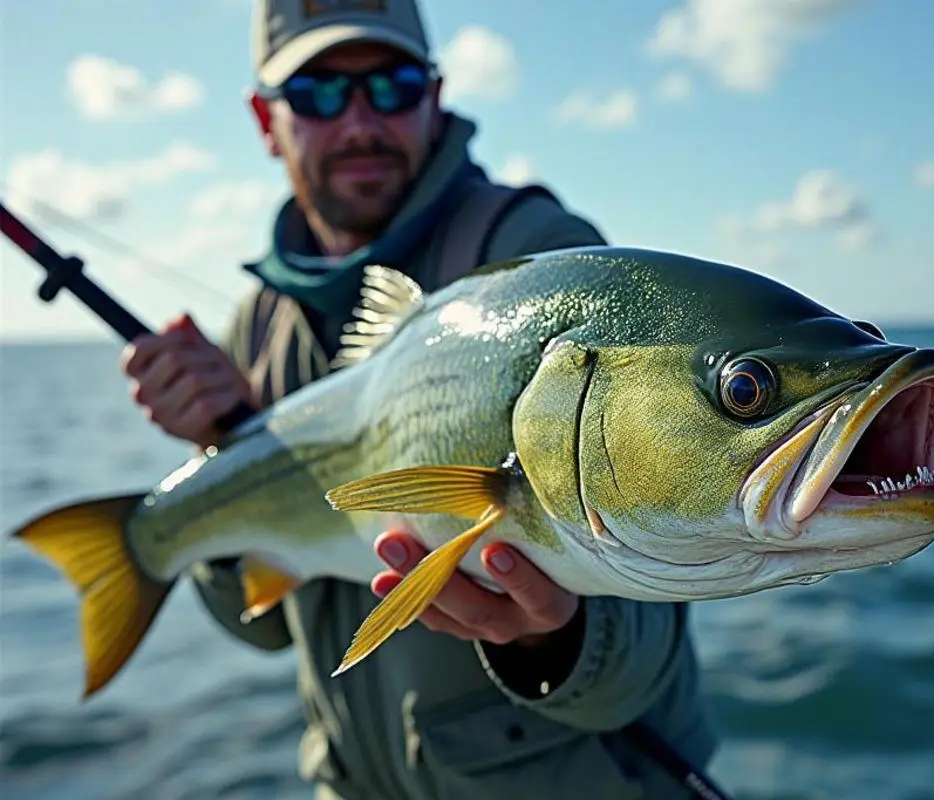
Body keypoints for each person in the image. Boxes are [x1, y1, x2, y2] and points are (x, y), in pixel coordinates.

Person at [119, 1, 719, 798]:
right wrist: (216, 483)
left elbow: (648, 639)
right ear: (266, 119)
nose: (360, 121)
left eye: (394, 85)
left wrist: (557, 636)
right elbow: (259, 628)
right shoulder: (256, 328)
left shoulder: (537, 262)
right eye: (319, 93)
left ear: (434, 97)